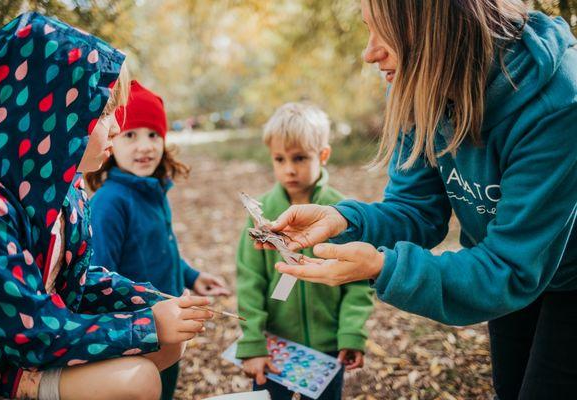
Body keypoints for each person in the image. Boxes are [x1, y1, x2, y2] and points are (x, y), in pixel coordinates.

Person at [265, 1, 577, 399]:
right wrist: (344, 221)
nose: (369, 53)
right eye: (367, 30)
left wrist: (383, 267)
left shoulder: (557, 101)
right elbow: (418, 211)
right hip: (505, 273)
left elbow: (509, 269)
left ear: (438, 26)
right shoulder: (418, 82)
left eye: (386, 33)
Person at [0, 12, 212, 400]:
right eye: (103, 112)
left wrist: (157, 303)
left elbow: (81, 282)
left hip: (48, 337)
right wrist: (146, 325)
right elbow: (30, 331)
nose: (116, 128)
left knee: (173, 342)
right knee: (138, 380)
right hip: (1, 365)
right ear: (51, 116)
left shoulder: (69, 193)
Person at [86, 79, 230, 400]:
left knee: (166, 385)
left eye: (153, 135)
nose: (145, 146)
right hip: (137, 331)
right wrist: (132, 328)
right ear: (112, 141)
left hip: (169, 324)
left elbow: (162, 250)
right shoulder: (110, 203)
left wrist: (193, 276)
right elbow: (98, 277)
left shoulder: (155, 191)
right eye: (130, 135)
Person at [236, 103, 374, 400]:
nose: (289, 168)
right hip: (275, 346)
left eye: (299, 158)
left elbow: (357, 283)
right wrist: (252, 343)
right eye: (279, 158)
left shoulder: (342, 215)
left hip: (328, 347)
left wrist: (351, 333)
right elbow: (250, 283)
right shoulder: (261, 217)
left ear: (323, 155)